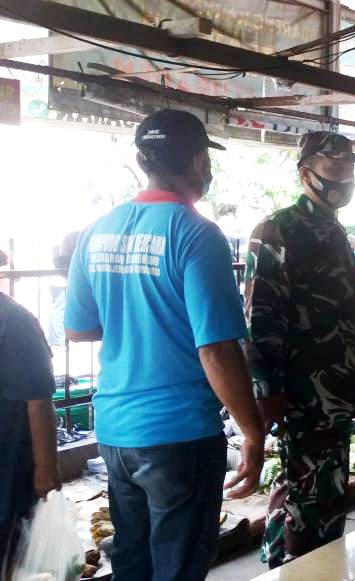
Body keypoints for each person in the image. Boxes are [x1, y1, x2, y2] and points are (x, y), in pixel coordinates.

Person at [64, 110, 264, 581]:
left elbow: (78, 329)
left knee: (133, 561)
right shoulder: (196, 235)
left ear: (141, 160)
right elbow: (216, 350)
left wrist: (135, 316)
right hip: (178, 435)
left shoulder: (97, 231)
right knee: (177, 568)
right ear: (199, 161)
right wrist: (252, 433)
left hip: (115, 431)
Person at [244, 131, 355, 567]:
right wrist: (266, 391)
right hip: (303, 391)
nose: (344, 182)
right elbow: (259, 319)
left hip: (336, 387)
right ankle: (304, 567)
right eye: (335, 171)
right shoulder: (279, 229)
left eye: (349, 173)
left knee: (317, 485)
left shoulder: (331, 228)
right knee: (313, 494)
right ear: (305, 173)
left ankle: (282, 563)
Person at [1, 294, 60, 566]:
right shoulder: (14, 320)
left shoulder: (14, 322)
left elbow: (38, 400)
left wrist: (45, 468)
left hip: (10, 466)